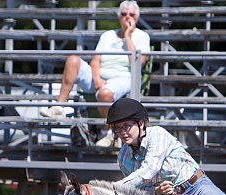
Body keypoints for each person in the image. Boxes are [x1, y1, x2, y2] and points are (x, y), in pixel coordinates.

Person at [39, 1, 150, 147]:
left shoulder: (142, 37)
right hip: (100, 76)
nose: (127, 17)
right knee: (73, 60)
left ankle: (107, 132)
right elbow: (95, 60)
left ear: (137, 17)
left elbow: (137, 63)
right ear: (119, 16)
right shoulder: (107, 35)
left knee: (104, 93)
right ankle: (59, 106)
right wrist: (97, 78)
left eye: (131, 14)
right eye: (124, 14)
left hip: (125, 77)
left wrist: (128, 36)